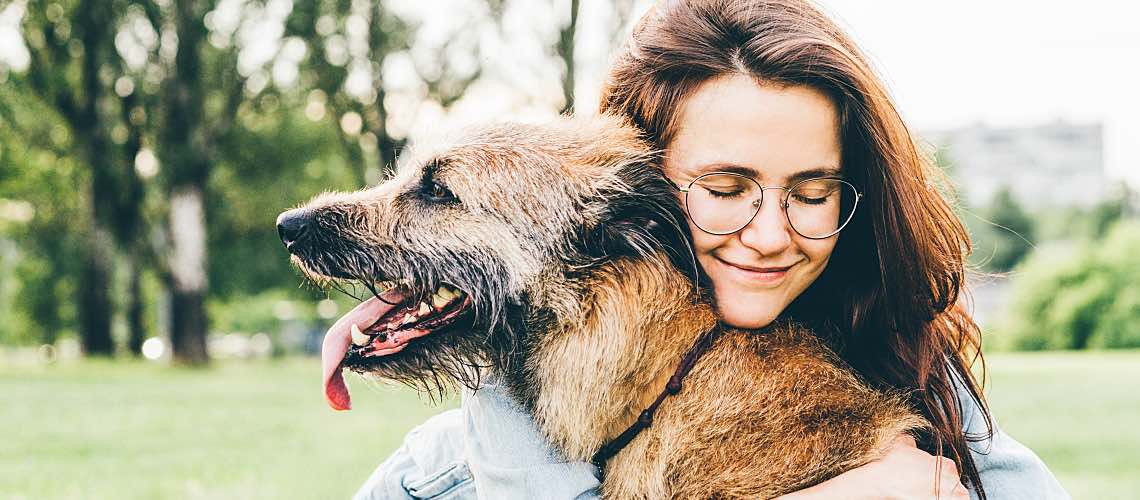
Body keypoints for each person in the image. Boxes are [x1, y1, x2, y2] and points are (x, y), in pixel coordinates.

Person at [354, 0, 1069, 498]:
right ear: (633, 188)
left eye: (813, 192)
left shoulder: (894, 349)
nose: (768, 236)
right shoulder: (468, 446)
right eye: (726, 188)